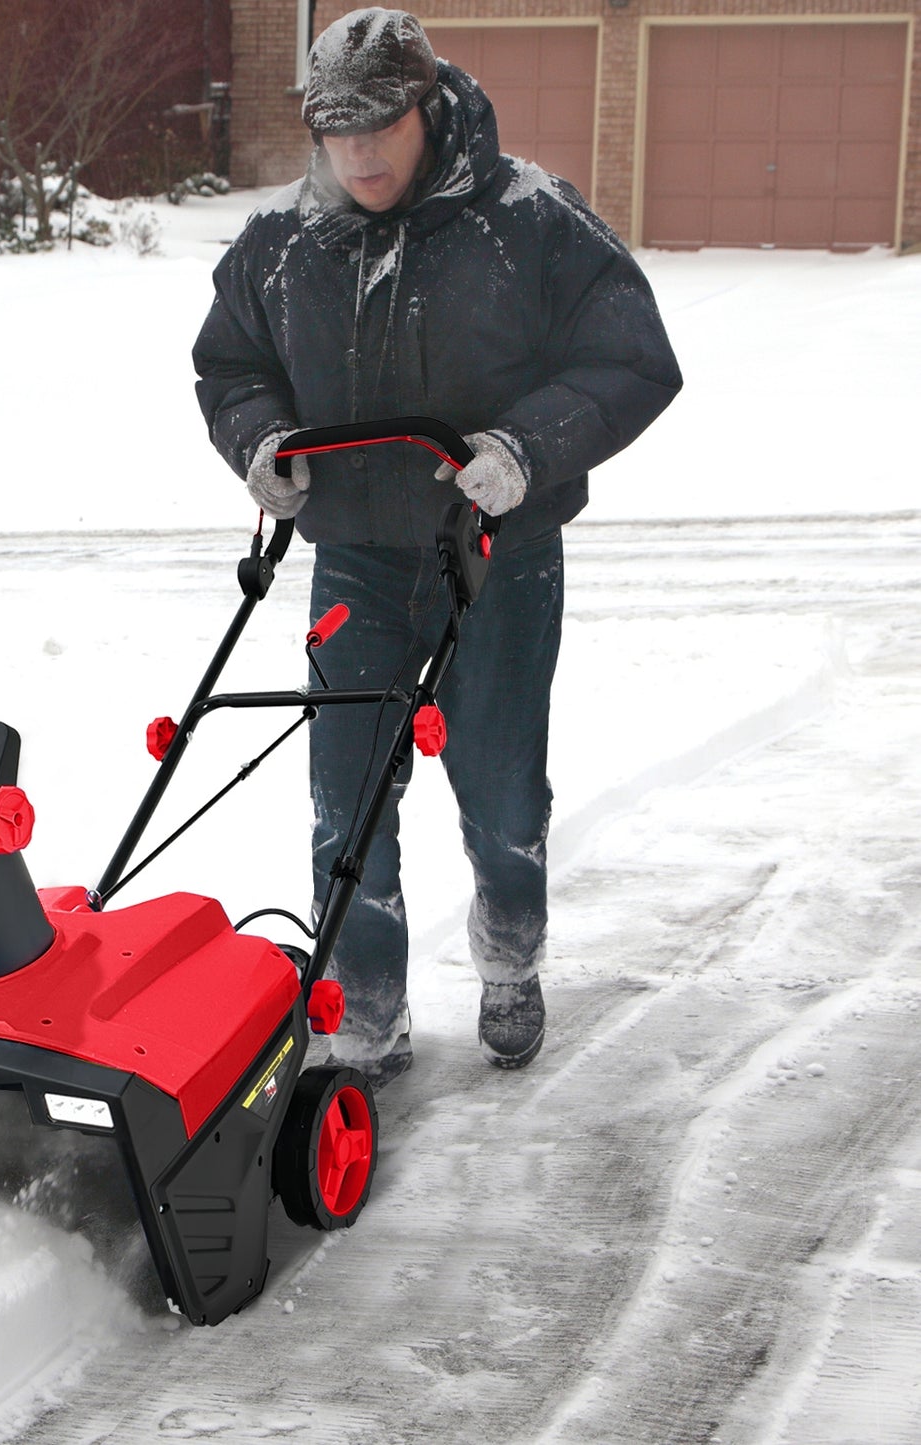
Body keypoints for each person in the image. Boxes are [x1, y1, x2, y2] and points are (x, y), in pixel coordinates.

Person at [192, 7, 681, 1083]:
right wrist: (259, 441)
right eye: (336, 131)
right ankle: (363, 1010)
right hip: (355, 557)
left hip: (496, 550)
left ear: (427, 108)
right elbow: (229, 366)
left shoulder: (528, 217)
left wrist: (523, 447)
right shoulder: (284, 244)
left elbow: (632, 358)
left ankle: (509, 958)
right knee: (344, 801)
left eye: (379, 126)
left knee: (500, 787)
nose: (359, 153)